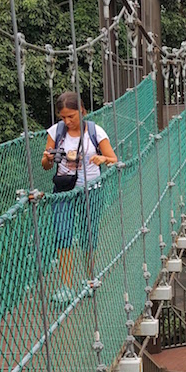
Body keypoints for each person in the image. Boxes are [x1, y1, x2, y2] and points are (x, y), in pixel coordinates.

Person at [41, 90, 118, 303]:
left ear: (82, 111)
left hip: (90, 190)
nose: (67, 121)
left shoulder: (95, 131)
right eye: (63, 117)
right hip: (63, 191)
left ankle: (90, 279)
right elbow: (45, 165)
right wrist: (49, 157)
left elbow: (113, 158)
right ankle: (66, 286)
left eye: (71, 116)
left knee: (88, 235)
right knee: (62, 235)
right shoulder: (56, 132)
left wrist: (101, 159)